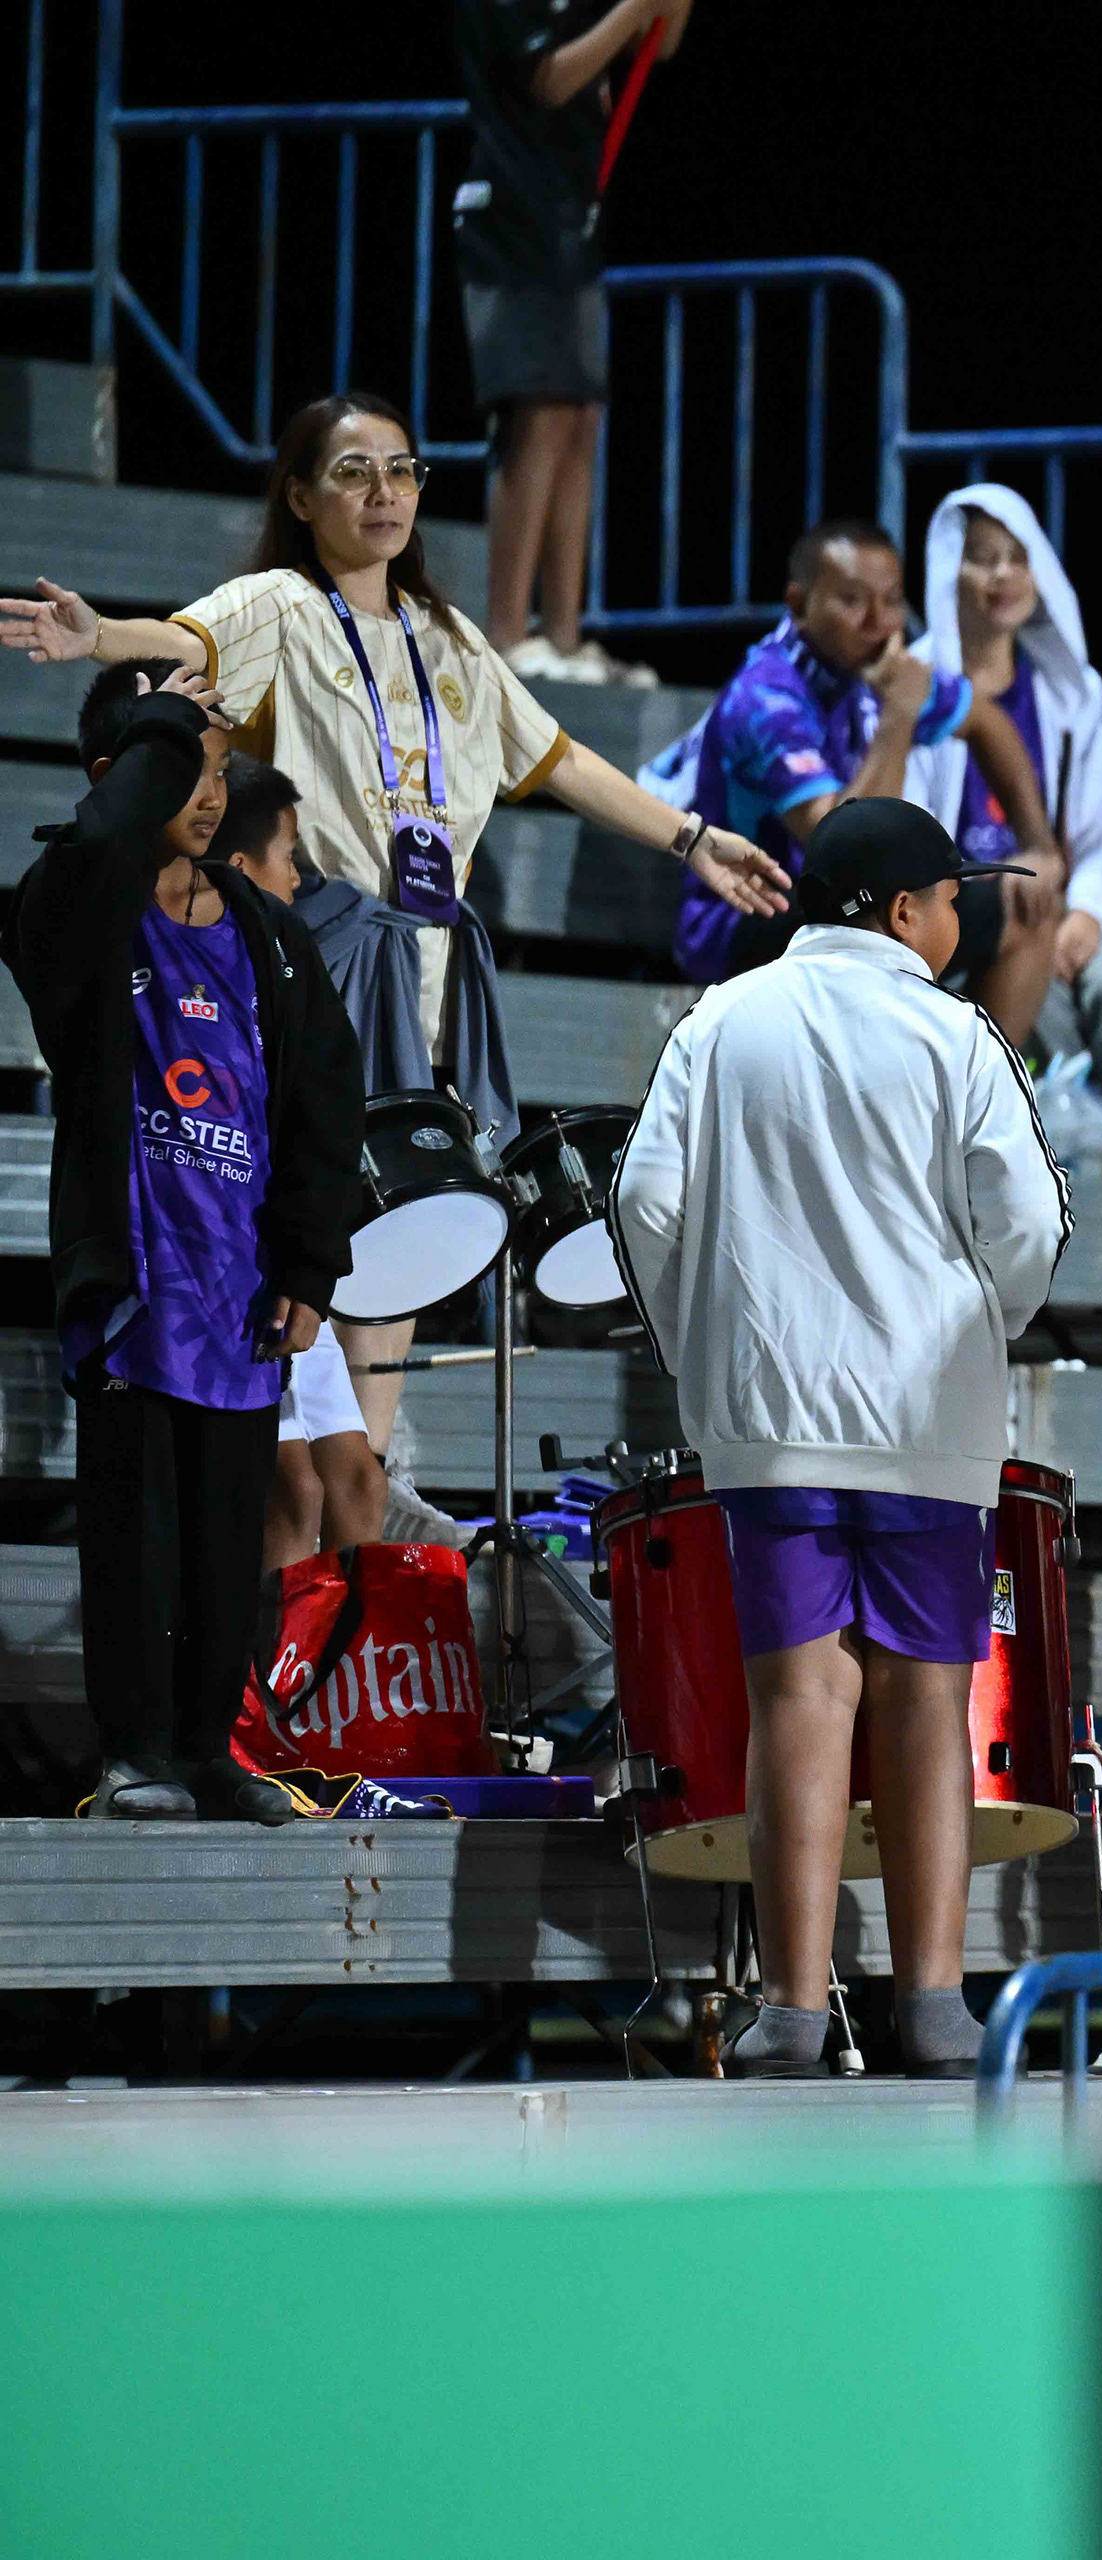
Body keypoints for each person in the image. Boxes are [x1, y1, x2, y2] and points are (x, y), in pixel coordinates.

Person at [0, 387, 790, 1463]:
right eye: (353, 472)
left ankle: (362, 1473)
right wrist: (100, 637)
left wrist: (692, 839)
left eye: (402, 470)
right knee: (309, 1200)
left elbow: (561, 761)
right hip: (323, 957)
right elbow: (181, 638)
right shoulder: (283, 605)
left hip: (428, 969)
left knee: (407, 1210)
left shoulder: (453, 640)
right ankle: (285, 1454)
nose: (384, 492)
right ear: (300, 496)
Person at [612, 800, 1068, 2077]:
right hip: (929, 1423)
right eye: (954, 898)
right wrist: (979, 1325)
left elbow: (642, 1201)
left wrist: (701, 1346)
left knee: (799, 1702)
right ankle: (934, 2004)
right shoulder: (958, 1033)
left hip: (769, 1422)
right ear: (904, 911)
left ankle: (793, 2011)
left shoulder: (719, 1020)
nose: (965, 919)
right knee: (927, 1694)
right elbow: (1030, 1224)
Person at [9, 668, 366, 1820]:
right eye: (181, 771)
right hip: (134, 1296)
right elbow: (97, 845)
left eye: (217, 770)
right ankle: (135, 1752)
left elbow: (325, 1107)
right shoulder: (72, 912)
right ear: (118, 777)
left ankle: (209, 1747)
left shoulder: (270, 937)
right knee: (135, 1543)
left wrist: (306, 1265)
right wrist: (157, 725)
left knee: (226, 1549)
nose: (210, 796)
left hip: (240, 1298)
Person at [658, 519, 1070, 1052]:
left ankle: (975, 1094)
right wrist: (899, 716)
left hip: (836, 909)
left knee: (1025, 902)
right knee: (894, 909)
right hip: (742, 921)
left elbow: (989, 723)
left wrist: (1037, 845)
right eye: (852, 601)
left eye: (892, 600)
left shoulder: (872, 668)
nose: (878, 621)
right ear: (800, 604)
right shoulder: (766, 698)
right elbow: (849, 852)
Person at [901, 486, 1102, 1179]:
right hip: (969, 924)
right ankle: (1064, 1158)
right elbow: (908, 824)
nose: (1002, 575)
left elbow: (1100, 826)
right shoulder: (920, 686)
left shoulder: (1068, 695)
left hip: (1059, 912)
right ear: (949, 570)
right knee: (1034, 994)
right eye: (983, 559)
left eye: (1018, 558)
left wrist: (1089, 915)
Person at [451, 0, 689, 684]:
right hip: (510, 220)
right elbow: (551, 79)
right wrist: (634, 6)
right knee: (539, 413)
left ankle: (564, 635)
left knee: (581, 419)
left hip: (571, 221)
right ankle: (508, 633)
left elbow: (659, 40)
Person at [206, 757, 388, 1564]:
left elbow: (325, 1116)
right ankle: (266, 1655)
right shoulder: (194, 963)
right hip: (231, 1270)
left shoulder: (291, 962)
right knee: (296, 1492)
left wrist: (308, 1263)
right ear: (241, 867)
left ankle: (349, 1653)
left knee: (359, 1484)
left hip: (287, 1265)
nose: (299, 878)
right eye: (289, 857)